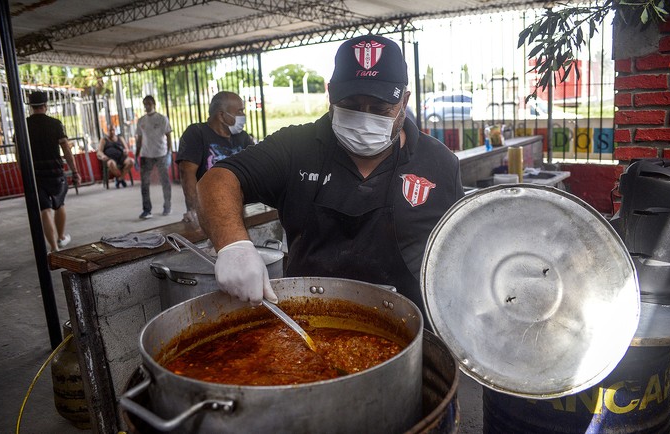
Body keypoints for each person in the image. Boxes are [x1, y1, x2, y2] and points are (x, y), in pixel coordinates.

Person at [197, 35, 465, 329]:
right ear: (330, 95)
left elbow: (458, 257)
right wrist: (234, 245)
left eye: (379, 109)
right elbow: (218, 179)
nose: (364, 118)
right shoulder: (296, 147)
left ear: (404, 101)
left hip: (411, 334)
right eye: (350, 104)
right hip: (307, 327)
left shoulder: (440, 164)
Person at [176, 91, 253, 224]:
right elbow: (187, 173)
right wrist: (195, 210)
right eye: (239, 111)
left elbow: (254, 169)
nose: (243, 116)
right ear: (222, 115)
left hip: (239, 206)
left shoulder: (243, 137)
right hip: (210, 208)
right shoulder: (197, 133)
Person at [26, 91, 82, 252]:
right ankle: (61, 237)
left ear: (31, 107)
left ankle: (54, 247)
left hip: (35, 174)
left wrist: (24, 171)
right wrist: (75, 171)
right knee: (59, 205)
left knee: (45, 210)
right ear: (45, 106)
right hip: (55, 172)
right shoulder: (55, 124)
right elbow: (66, 149)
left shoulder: (24, 125)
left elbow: (18, 153)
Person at [135, 95, 172, 219]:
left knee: (165, 182)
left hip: (160, 154)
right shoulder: (141, 121)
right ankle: (147, 210)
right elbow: (139, 140)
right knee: (144, 183)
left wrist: (169, 153)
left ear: (154, 104)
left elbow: (168, 136)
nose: (147, 106)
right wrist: (136, 156)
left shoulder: (162, 119)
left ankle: (167, 206)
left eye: (149, 103)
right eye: (145, 103)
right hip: (146, 155)